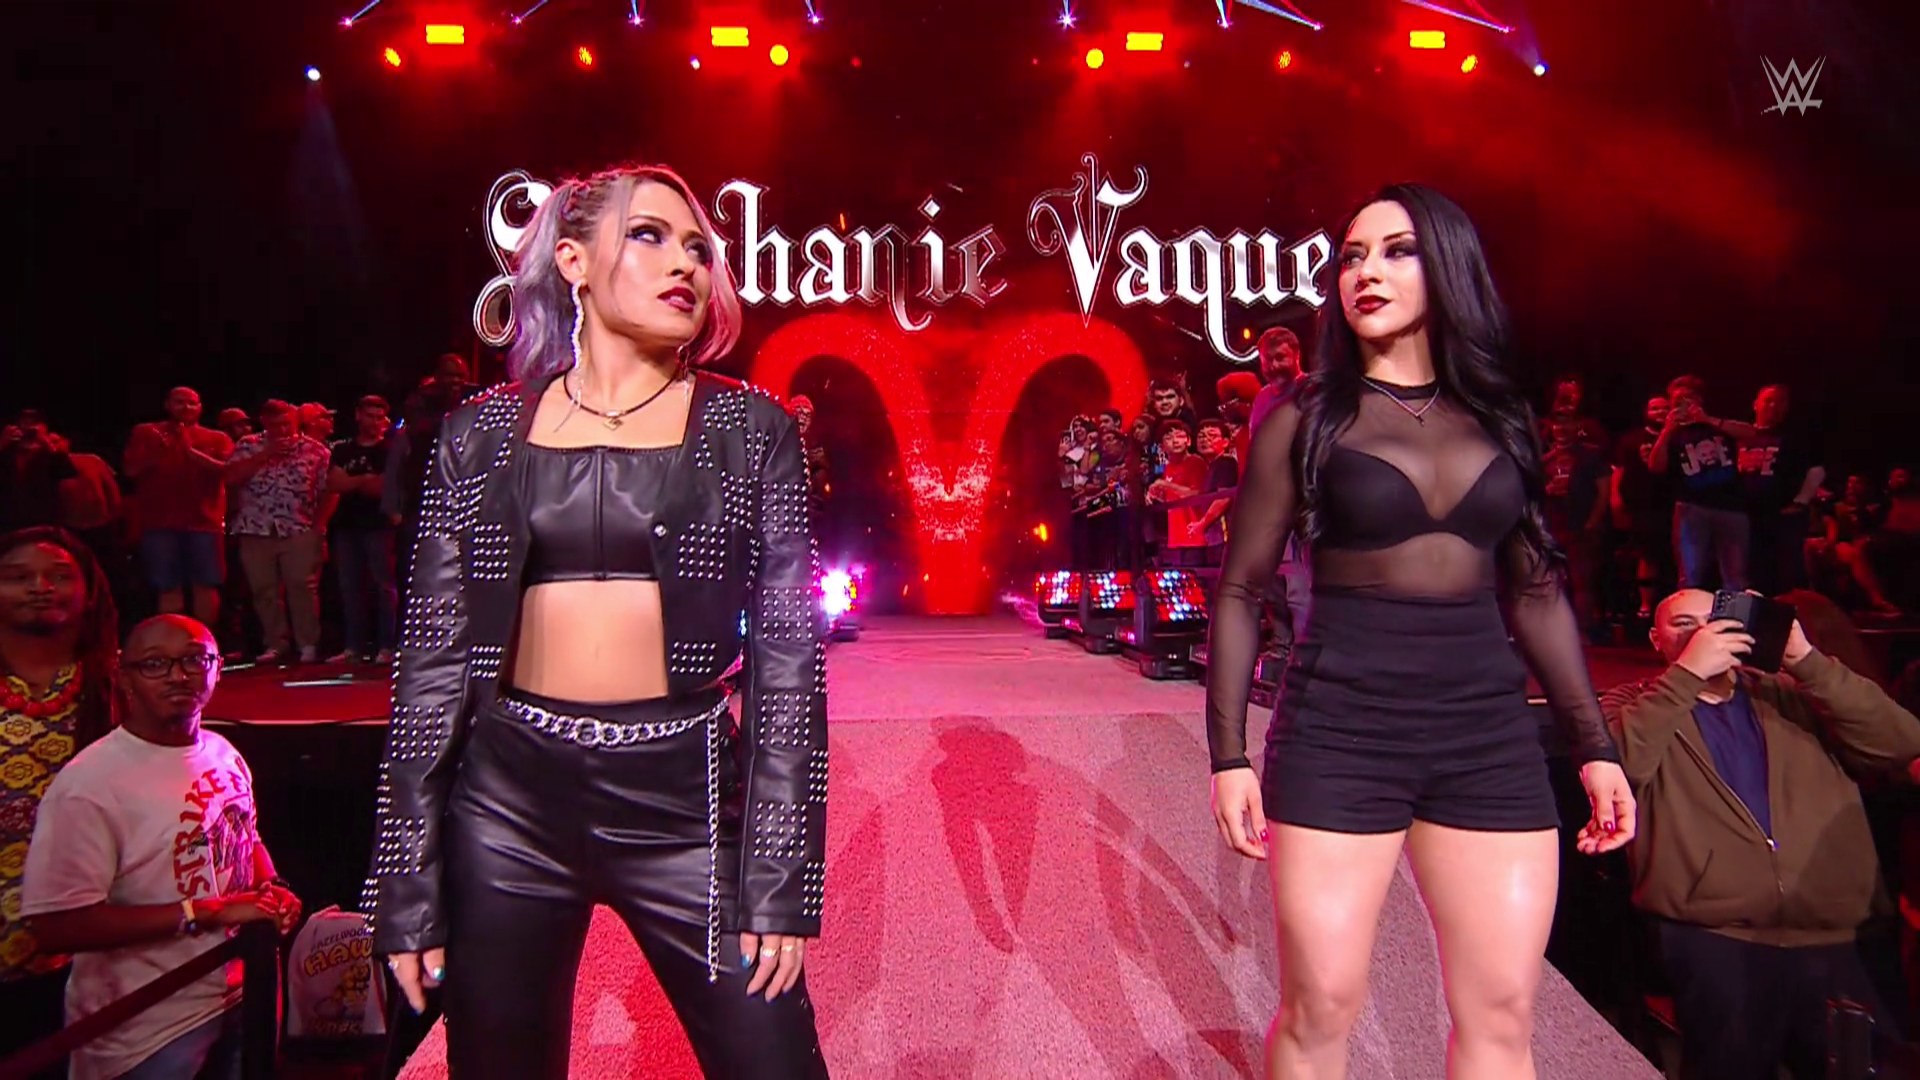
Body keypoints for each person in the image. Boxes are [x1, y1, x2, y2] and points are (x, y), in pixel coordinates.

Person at [362, 163, 829, 1080]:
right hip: (507, 804)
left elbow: (788, 666)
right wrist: (405, 877)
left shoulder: (751, 428)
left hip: (688, 800)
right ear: (572, 261)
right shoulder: (479, 434)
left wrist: (780, 876)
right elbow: (430, 669)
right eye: (650, 235)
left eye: (698, 248)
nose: (686, 264)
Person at [1205, 183, 1635, 1080]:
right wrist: (1229, 755)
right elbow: (1242, 589)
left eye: (1396, 250)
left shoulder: (1501, 417)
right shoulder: (1304, 418)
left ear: (1448, 265)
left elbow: (1537, 589)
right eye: (1352, 256)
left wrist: (1595, 747)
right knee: (1322, 1006)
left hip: (1488, 738)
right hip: (1340, 731)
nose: (1366, 272)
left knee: (1503, 1011)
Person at [1604, 588, 1920, 1079]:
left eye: (1714, 619)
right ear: (1655, 639)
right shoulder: (1632, 704)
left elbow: (1903, 743)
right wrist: (1686, 675)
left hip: (1836, 934)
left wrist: (1804, 658)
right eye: (1683, 625)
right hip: (1719, 935)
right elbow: (1618, 769)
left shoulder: (1792, 694)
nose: (1703, 634)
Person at [22, 615, 300, 1080]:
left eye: (194, 660)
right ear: (123, 676)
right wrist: (206, 912)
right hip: (146, 1032)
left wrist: (272, 886)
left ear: (217, 669)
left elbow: (244, 837)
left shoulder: (223, 753)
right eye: (155, 664)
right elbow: (54, 927)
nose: (177, 675)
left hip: (239, 995)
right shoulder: (90, 784)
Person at [0, 528, 120, 1078]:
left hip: (84, 951)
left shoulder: (121, 688)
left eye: (58, 575)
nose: (39, 587)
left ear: (89, 592)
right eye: (18, 577)